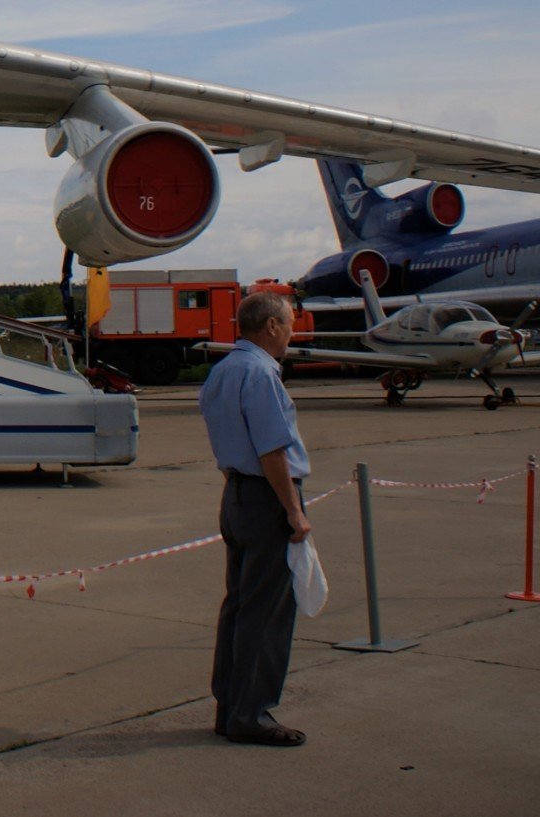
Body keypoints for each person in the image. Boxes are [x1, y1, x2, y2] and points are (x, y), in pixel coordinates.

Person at [200, 290, 311, 746]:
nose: (291, 331)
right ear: (270, 327)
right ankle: (252, 713)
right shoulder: (262, 373)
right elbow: (271, 451)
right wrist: (293, 511)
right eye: (288, 323)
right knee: (266, 612)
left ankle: (231, 706)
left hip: (236, 495)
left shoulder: (223, 370)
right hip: (266, 498)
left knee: (241, 605)